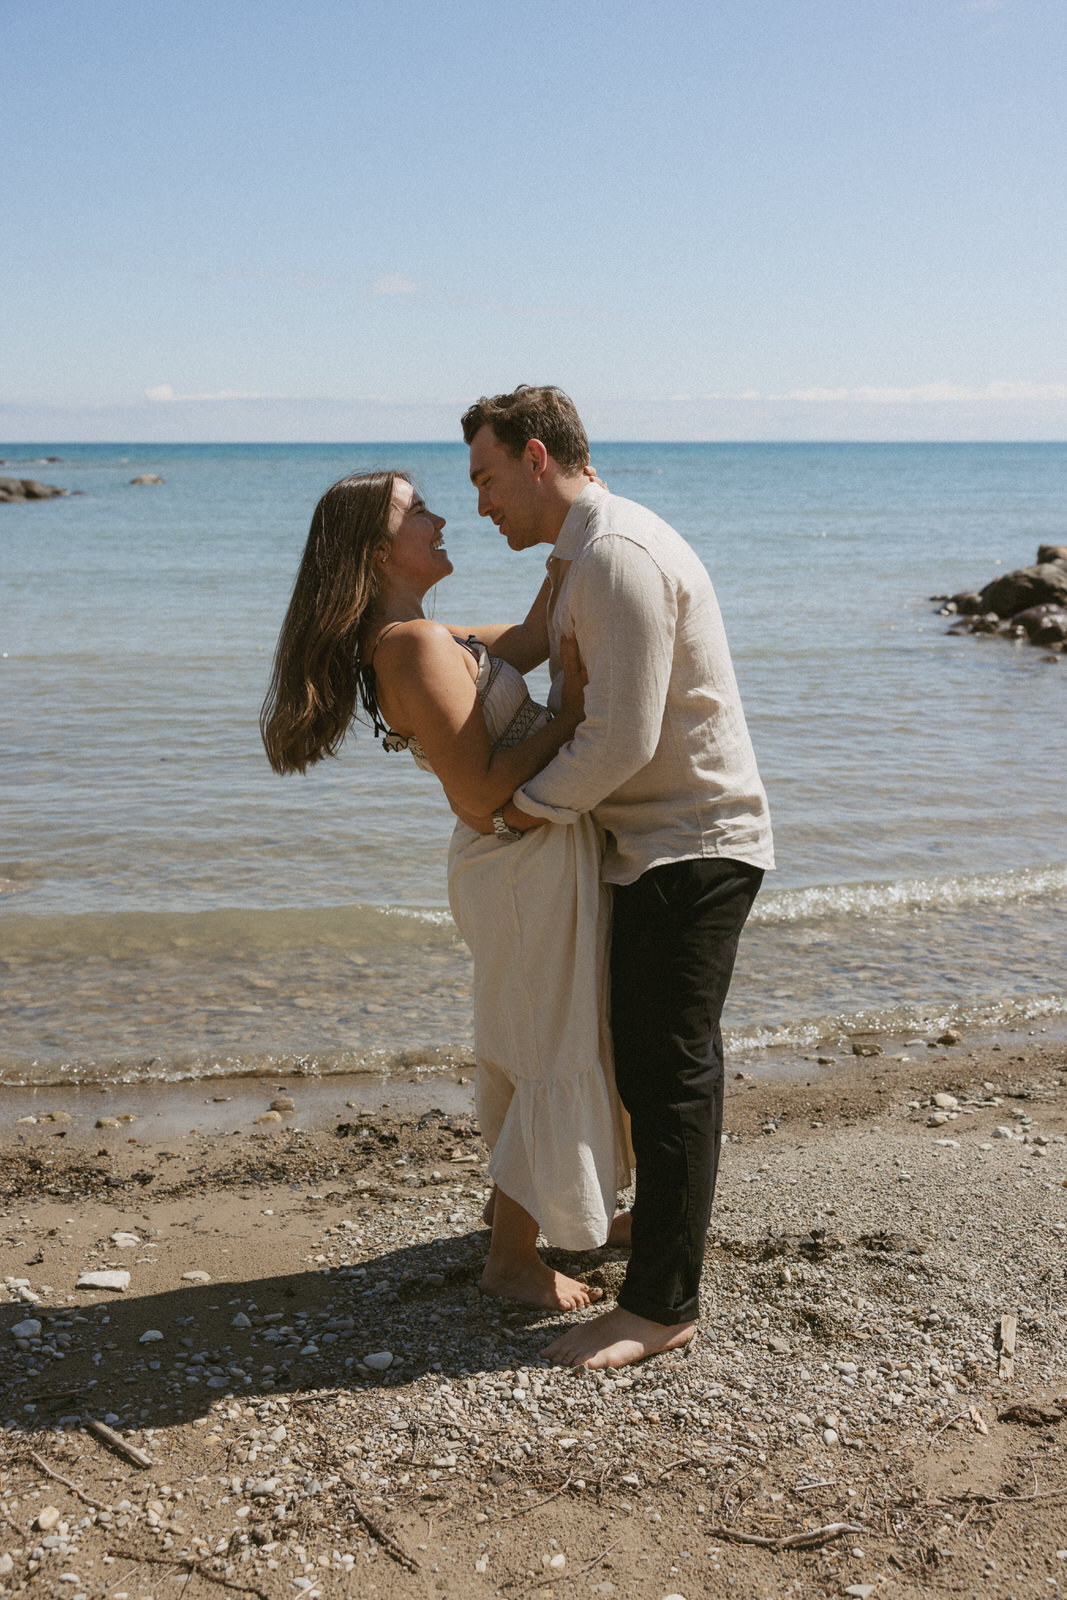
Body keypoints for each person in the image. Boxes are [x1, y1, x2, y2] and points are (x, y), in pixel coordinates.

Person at [260, 470, 632, 1312]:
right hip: (514, 864)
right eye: (416, 510)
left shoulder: (430, 635)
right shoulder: (413, 647)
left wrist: (576, 521)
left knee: (561, 1033)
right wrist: (574, 719)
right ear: (376, 549)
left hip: (526, 857)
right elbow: (477, 792)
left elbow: (540, 630)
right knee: (544, 1046)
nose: (440, 519)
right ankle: (511, 1263)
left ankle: (576, 1216)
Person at [460, 386, 775, 1369]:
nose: (478, 504)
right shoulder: (573, 556)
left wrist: (510, 813)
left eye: (485, 477)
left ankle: (660, 1306)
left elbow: (621, 739)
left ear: (537, 455)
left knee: (667, 1073)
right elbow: (519, 646)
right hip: (640, 846)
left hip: (692, 844)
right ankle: (655, 1233)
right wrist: (405, 644)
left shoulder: (617, 557)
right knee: (638, 1061)